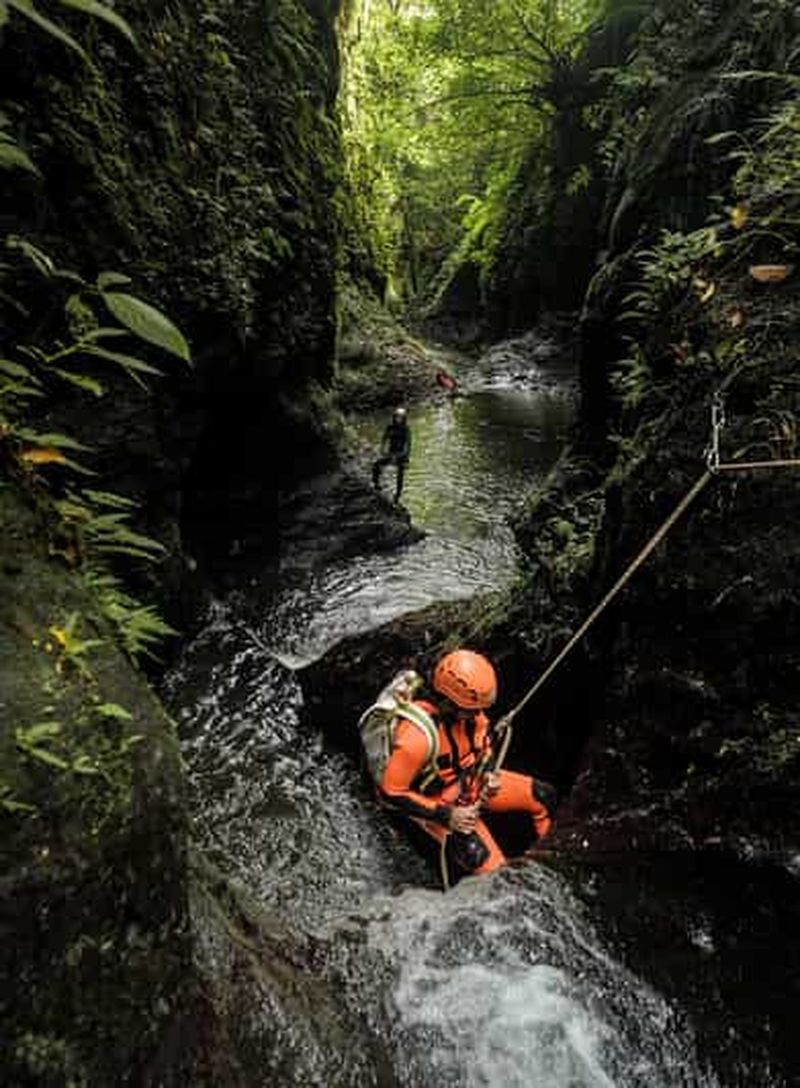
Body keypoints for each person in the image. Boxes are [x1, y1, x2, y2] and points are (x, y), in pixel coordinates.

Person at [377, 648, 556, 882]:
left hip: (470, 783)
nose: (478, 715)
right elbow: (390, 792)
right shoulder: (416, 739)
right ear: (450, 703)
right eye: (471, 710)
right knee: (495, 874)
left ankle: (550, 868)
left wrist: (489, 771)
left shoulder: (473, 718)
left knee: (543, 796)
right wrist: (447, 815)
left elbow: (483, 748)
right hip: (436, 802)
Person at [372, 406, 411, 503]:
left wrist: (403, 455)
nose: (399, 419)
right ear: (394, 417)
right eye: (397, 417)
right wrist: (382, 449)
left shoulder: (406, 429)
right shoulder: (390, 427)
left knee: (400, 474)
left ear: (404, 419)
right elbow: (384, 439)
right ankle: (376, 485)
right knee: (376, 465)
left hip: (401, 454)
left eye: (401, 418)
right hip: (391, 452)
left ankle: (398, 494)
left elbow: (408, 444)